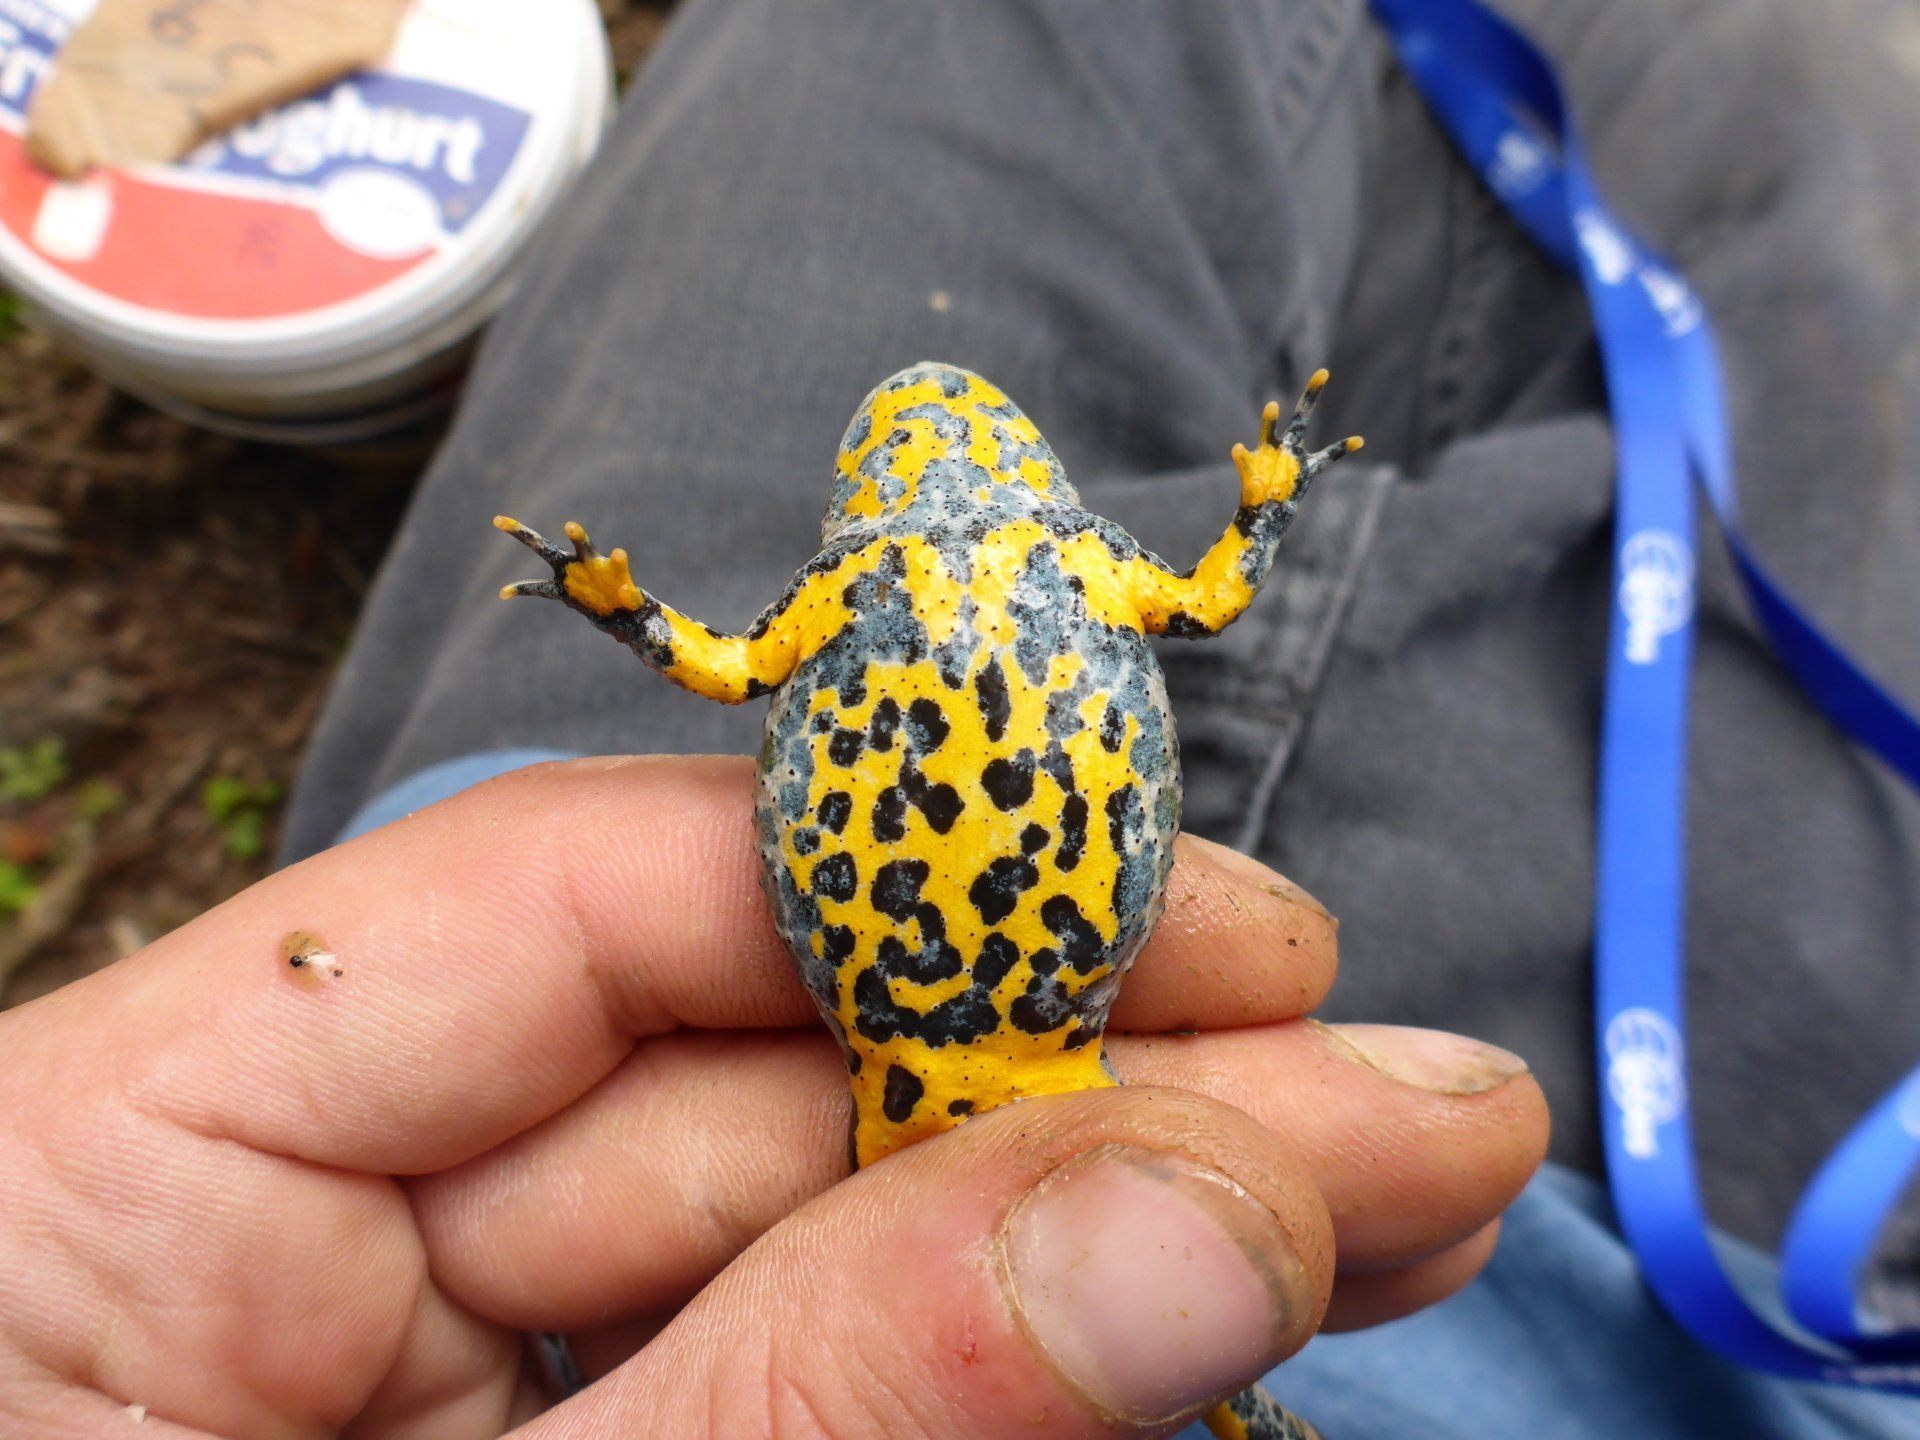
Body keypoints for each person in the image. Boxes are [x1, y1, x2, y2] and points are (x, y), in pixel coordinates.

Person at [4, 0, 1917, 1435]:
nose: (930, 420)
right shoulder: (1089, 571)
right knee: (1794, 140)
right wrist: (1257, 489)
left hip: (907, 1039)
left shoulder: (846, 589)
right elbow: (1216, 596)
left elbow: (718, 673)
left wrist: (610, 594)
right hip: (1004, 1024)